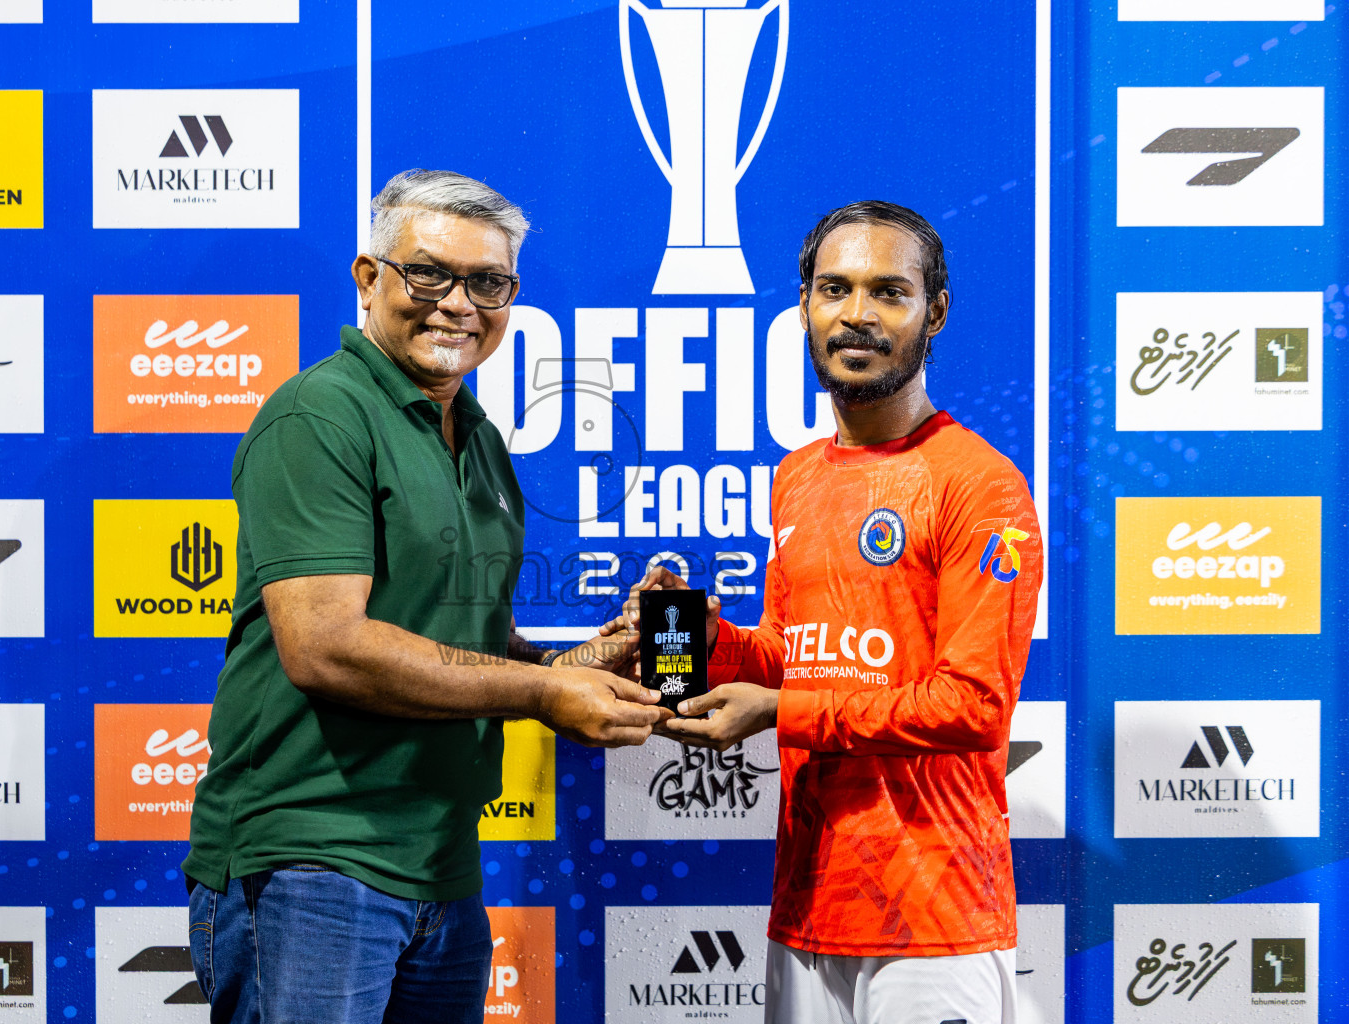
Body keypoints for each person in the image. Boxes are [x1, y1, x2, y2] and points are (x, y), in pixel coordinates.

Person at [184, 168, 664, 1024]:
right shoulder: (319, 417)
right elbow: (327, 645)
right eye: (428, 274)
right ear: (370, 279)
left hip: (442, 864)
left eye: (487, 283)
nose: (458, 305)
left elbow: (460, 634)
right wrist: (545, 691)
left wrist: (587, 658)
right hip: (313, 859)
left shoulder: (475, 437)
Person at [610, 201, 1042, 1024]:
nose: (857, 315)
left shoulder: (980, 485)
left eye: (888, 292)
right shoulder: (798, 476)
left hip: (935, 919)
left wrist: (782, 711)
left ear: (934, 312)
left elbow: (976, 706)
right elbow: (791, 654)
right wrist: (710, 642)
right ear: (804, 306)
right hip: (810, 903)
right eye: (834, 289)